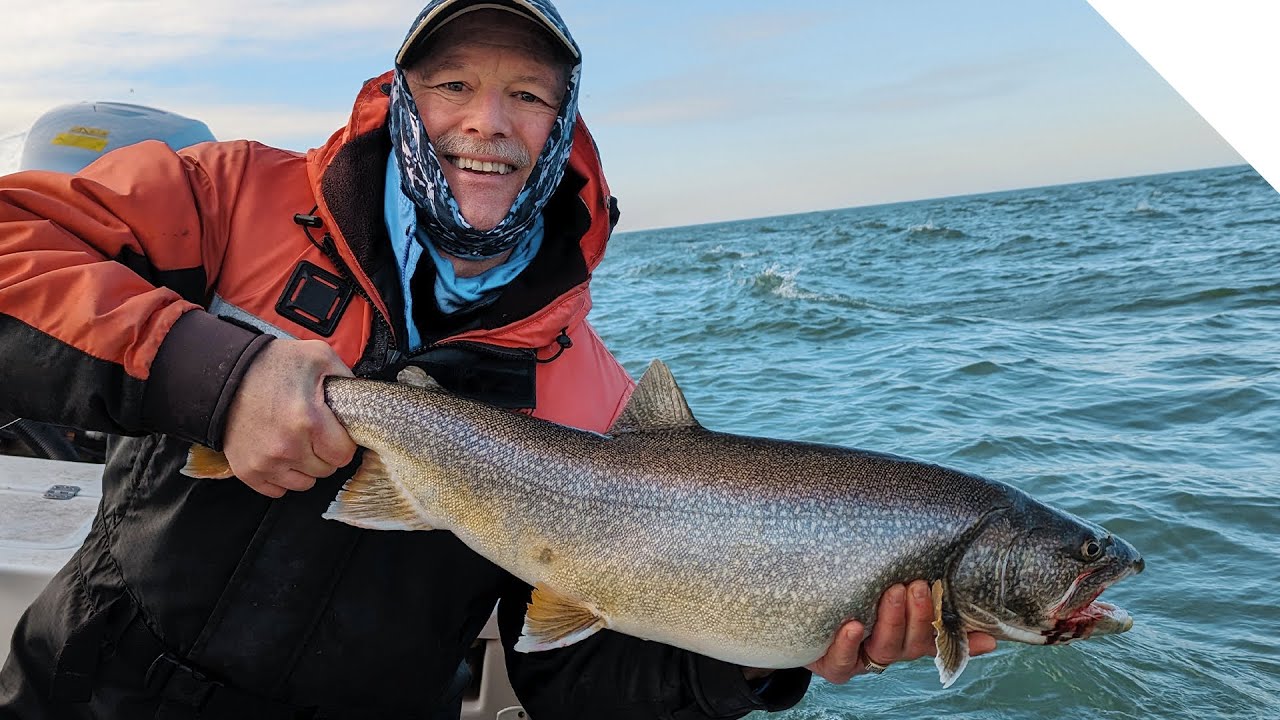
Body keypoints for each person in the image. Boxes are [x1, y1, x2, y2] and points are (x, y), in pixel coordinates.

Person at [0, 1, 995, 718]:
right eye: (453, 85)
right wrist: (212, 378)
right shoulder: (225, 199)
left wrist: (759, 660)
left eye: (526, 93)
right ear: (399, 98)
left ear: (561, 130)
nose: (488, 120)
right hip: (81, 689)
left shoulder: (588, 395)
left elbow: (581, 684)